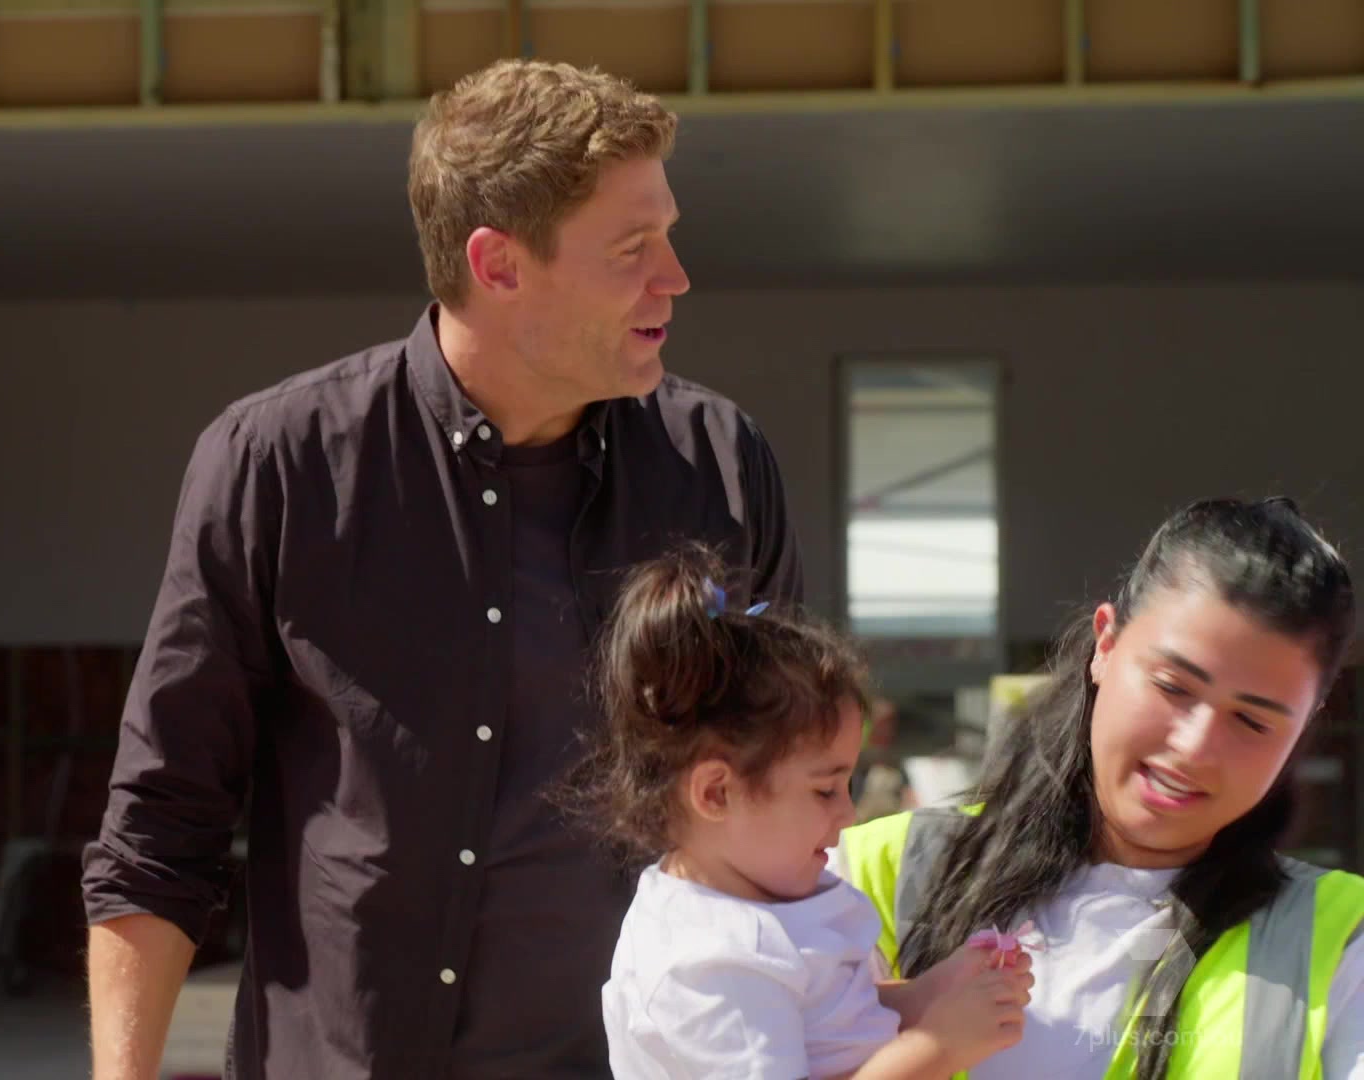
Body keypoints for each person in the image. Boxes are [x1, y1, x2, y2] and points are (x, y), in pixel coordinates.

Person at [83, 59, 802, 1080]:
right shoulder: (279, 465)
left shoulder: (720, 468)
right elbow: (163, 821)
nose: (674, 277)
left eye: (669, 236)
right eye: (632, 248)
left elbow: (786, 794)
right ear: (498, 264)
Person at [836, 495, 1364, 1078]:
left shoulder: (1342, 940)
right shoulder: (861, 876)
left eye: (1253, 721)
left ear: (1303, 727)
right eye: (1173, 686)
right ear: (1105, 646)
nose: (1195, 747)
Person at [575, 544, 1031, 1079]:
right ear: (717, 794)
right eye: (825, 790)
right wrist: (940, 1045)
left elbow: (838, 1021)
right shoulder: (708, 964)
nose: (849, 814)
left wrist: (932, 993)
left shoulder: (765, 895)